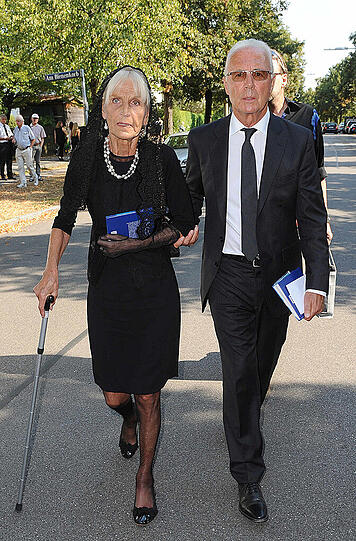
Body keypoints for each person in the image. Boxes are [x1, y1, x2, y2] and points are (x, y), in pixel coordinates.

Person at [34, 66, 197, 525]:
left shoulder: (161, 160)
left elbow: (182, 224)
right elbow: (65, 217)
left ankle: (144, 479)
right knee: (114, 393)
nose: (128, 111)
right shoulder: (87, 156)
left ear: (147, 114)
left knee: (148, 394)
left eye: (137, 103)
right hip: (107, 290)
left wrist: (137, 244)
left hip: (153, 292)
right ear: (103, 111)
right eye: (117, 102)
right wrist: (50, 271)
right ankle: (125, 419)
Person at [185, 39, 329, 523]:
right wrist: (179, 224)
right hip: (226, 275)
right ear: (226, 83)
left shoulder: (297, 139)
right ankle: (248, 474)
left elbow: (312, 217)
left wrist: (318, 282)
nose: (249, 85)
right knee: (239, 370)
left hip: (279, 277)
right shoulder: (203, 140)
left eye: (259, 75)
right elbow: (188, 197)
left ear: (272, 82)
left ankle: (250, 410)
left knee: (261, 367)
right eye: (239, 75)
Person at [269, 49, 333, 243]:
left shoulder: (308, 116)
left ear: (284, 79)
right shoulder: (250, 120)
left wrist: (325, 220)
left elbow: (318, 173)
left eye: (272, 74)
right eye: (261, 74)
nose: (266, 79)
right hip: (263, 226)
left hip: (301, 222)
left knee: (305, 273)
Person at [12, 115, 38, 187]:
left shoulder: (27, 128)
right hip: (18, 149)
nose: (17, 122)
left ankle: (35, 177)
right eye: (16, 121)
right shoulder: (15, 129)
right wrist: (14, 140)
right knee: (20, 167)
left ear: (22, 121)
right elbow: (14, 137)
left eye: (18, 121)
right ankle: (23, 182)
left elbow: (33, 139)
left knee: (29, 166)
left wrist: (30, 147)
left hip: (26, 149)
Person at [30, 113, 46, 181]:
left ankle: (38, 175)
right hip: (32, 146)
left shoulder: (40, 127)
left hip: (38, 145)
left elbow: (43, 137)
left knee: (38, 161)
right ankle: (32, 175)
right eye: (34, 118)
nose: (35, 120)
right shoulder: (29, 127)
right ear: (31, 119)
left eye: (36, 118)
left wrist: (41, 146)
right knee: (31, 162)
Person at [0, 114, 14, 180]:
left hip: (9, 144)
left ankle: (10, 174)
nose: (4, 121)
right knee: (2, 160)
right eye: (3, 119)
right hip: (2, 144)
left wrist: (11, 137)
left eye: (5, 119)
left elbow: (11, 134)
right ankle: (2, 175)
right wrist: (5, 138)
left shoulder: (7, 126)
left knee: (9, 160)